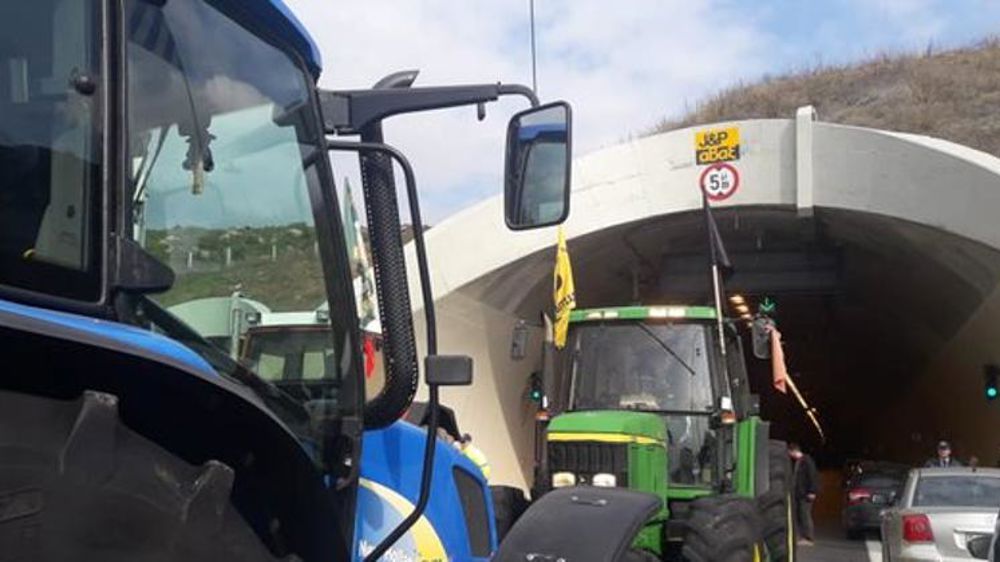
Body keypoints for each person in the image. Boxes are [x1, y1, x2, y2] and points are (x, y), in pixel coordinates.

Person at [789, 442, 819, 546]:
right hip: (800, 494)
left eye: (790, 453)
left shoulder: (807, 461)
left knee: (805, 515)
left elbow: (813, 476)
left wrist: (812, 491)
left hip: (806, 493)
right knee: (800, 515)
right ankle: (803, 536)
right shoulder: (798, 462)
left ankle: (809, 538)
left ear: (794, 451)